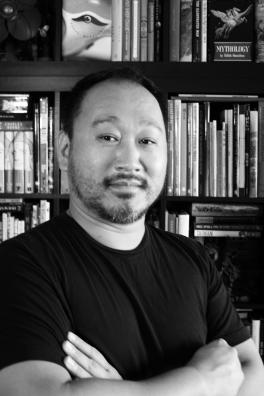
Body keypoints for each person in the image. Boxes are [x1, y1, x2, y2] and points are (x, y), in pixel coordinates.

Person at [0, 67, 263, 396]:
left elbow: (253, 373)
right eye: (108, 137)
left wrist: (127, 391)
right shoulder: (20, 264)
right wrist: (201, 382)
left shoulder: (193, 258)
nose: (130, 158)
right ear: (65, 150)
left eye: (147, 140)